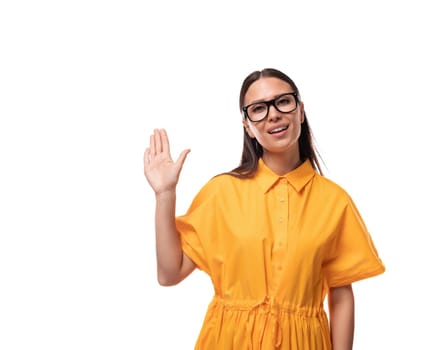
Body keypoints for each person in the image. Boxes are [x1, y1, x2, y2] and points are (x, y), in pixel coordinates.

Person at [143, 68, 385, 349]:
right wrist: (165, 194)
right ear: (248, 126)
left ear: (300, 111)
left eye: (283, 101)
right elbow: (170, 274)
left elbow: (341, 295)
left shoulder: (335, 201)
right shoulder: (222, 192)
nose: (273, 114)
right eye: (258, 109)